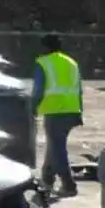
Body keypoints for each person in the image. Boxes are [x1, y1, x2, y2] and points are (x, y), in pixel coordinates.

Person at [32, 33, 83, 198]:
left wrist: (32, 108)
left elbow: (39, 90)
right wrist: (79, 111)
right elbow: (79, 89)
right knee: (54, 147)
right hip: (71, 110)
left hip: (55, 112)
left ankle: (69, 185)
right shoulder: (72, 62)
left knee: (58, 150)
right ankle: (47, 179)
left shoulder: (43, 63)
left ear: (46, 47)